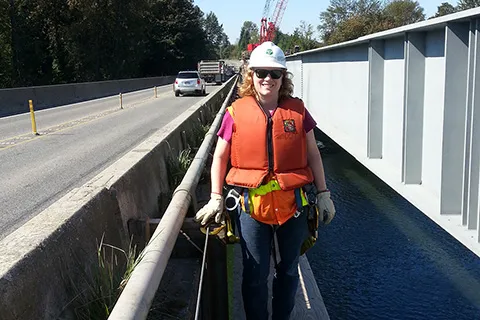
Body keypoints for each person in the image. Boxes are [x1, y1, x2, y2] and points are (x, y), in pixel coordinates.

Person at [194, 41, 336, 320]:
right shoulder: (235, 113)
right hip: (251, 208)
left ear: (284, 77)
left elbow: (313, 155)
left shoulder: (298, 112)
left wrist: (324, 193)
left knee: (287, 270)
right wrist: (215, 197)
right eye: (261, 73)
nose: (267, 79)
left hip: (293, 207)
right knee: (255, 272)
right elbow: (220, 158)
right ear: (251, 75)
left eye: (275, 73)